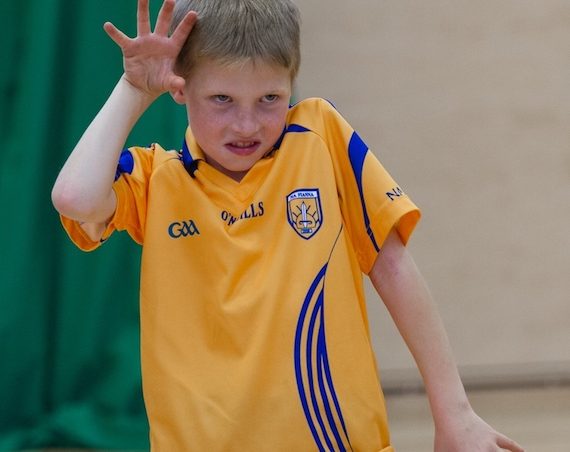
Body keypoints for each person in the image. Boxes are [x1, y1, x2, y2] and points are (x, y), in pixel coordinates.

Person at [51, 0, 524, 450]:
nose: (246, 124)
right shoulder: (155, 179)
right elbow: (74, 199)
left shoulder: (320, 138)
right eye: (222, 98)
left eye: (269, 98)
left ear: (291, 85)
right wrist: (134, 90)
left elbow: (393, 265)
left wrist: (454, 412)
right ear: (180, 87)